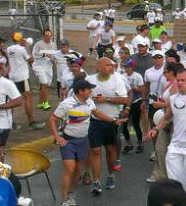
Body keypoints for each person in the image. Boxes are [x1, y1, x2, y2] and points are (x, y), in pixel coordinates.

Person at [49, 79, 124, 206]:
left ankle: (71, 195)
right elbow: (52, 120)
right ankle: (65, 199)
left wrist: (112, 120)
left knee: (77, 171)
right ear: (81, 91)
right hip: (68, 141)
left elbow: (97, 113)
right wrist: (57, 137)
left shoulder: (89, 102)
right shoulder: (66, 104)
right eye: (89, 89)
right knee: (70, 169)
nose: (91, 91)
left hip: (83, 141)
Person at [86, 57, 129, 195]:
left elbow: (124, 99)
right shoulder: (90, 80)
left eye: (112, 65)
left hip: (112, 121)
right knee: (96, 151)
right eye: (108, 65)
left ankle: (110, 175)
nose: (111, 67)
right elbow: (82, 96)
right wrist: (91, 100)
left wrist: (107, 99)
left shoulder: (117, 80)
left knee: (110, 150)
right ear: (99, 67)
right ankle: (96, 182)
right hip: (95, 121)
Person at [121, 58, 146, 155]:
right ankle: (128, 144)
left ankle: (140, 144)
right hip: (126, 102)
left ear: (132, 67)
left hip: (136, 102)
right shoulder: (122, 76)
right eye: (125, 67)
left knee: (136, 124)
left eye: (127, 67)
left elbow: (142, 90)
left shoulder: (137, 76)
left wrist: (133, 89)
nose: (126, 69)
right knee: (124, 125)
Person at [31, 28, 57, 110]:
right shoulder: (38, 44)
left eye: (50, 36)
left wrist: (54, 62)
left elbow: (54, 56)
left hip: (48, 67)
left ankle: (40, 103)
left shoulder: (53, 45)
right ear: (43, 36)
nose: (48, 37)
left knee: (45, 86)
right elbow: (34, 55)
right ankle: (45, 103)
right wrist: (45, 54)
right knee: (45, 84)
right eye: (46, 36)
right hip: (38, 67)